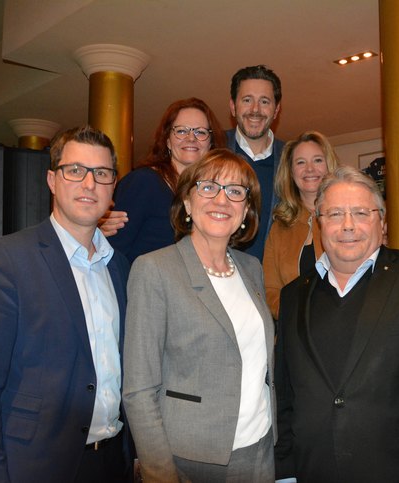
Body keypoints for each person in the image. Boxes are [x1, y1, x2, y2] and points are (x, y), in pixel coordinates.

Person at [275, 165, 399, 482]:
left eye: (360, 213)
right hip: (312, 472)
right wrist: (285, 473)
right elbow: (286, 398)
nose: (347, 225)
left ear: (381, 223)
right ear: (318, 224)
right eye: (334, 214)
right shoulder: (292, 297)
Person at [0, 126, 134, 483]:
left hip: (114, 463)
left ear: (113, 186)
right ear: (52, 179)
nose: (89, 184)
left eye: (102, 173)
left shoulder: (120, 267)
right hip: (36, 466)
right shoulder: (6, 259)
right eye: (75, 170)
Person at [123, 148, 276, 482]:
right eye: (208, 187)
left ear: (246, 210)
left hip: (260, 449)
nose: (222, 200)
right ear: (188, 203)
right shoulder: (154, 269)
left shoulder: (251, 269)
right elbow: (138, 390)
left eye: (236, 192)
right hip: (191, 459)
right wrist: (160, 473)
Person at [104, 97, 225, 263]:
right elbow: (111, 253)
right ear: (168, 140)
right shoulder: (143, 182)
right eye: (181, 131)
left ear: (211, 144)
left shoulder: (212, 195)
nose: (191, 138)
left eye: (201, 132)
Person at [262, 130, 339, 319]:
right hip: (295, 334)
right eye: (300, 162)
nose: (310, 169)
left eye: (318, 160)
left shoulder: (351, 217)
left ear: (329, 165)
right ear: (291, 172)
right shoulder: (279, 228)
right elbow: (270, 290)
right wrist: (297, 315)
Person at [227, 65, 284, 261]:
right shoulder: (211, 150)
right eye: (247, 100)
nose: (255, 110)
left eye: (264, 101)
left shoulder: (292, 160)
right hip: (215, 279)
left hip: (273, 285)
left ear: (276, 110)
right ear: (233, 106)